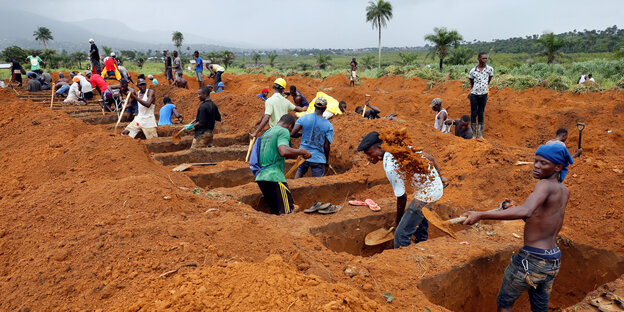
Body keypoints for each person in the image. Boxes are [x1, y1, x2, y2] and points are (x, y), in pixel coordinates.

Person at [461, 144, 573, 312]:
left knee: (504, 305)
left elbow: (527, 210)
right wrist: (514, 208)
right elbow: (540, 219)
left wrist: (481, 215)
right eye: (536, 161)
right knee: (540, 309)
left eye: (543, 163)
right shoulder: (564, 190)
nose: (536, 165)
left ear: (558, 167)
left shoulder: (544, 185)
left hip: (531, 260)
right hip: (552, 260)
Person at [357, 131, 447, 248]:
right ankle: (422, 249)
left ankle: (404, 261)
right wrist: (439, 178)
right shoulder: (398, 147)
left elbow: (402, 197)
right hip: (431, 189)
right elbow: (429, 157)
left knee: (401, 235)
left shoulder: (390, 165)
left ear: (379, 147)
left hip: (427, 194)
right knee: (419, 224)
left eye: (369, 153)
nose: (368, 158)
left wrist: (397, 221)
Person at [255, 114, 312, 215]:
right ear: (290, 126)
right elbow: (283, 151)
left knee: (275, 212)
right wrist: (301, 151)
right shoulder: (283, 131)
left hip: (262, 177)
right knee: (288, 212)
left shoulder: (267, 133)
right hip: (274, 177)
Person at [290, 97, 334, 178]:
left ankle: (294, 189)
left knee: (298, 178)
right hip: (318, 158)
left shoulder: (303, 118)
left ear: (314, 106)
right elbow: (326, 146)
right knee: (317, 184)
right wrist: (326, 161)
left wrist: (302, 134)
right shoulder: (328, 125)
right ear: (325, 109)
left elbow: (292, 133)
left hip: (303, 155)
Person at [469, 52, 494, 139]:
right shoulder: (473, 71)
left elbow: (489, 79)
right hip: (474, 94)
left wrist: (484, 88)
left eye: (486, 58)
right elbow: (471, 82)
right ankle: (473, 135)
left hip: (484, 94)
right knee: (473, 113)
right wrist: (474, 89)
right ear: (479, 59)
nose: (485, 60)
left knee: (481, 113)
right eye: (483, 58)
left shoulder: (489, 69)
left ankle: (480, 135)